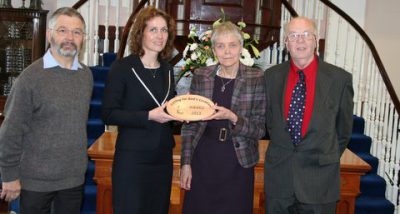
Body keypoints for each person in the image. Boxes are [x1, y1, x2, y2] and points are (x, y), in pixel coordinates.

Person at [0, 7, 92, 214]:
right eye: (62, 30)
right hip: (35, 183)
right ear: (49, 34)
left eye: (76, 32)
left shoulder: (86, 76)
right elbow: (10, 131)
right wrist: (9, 176)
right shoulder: (30, 78)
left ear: (83, 38)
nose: (70, 37)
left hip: (73, 181)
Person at [263, 16, 354, 214]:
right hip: (279, 179)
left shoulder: (339, 79)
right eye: (293, 36)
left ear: (315, 40)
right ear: (286, 43)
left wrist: (321, 154)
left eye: (306, 35)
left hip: (319, 182)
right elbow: (271, 124)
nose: (300, 41)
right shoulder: (271, 76)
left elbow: (343, 132)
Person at [180, 21, 266, 214]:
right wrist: (185, 163)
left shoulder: (256, 78)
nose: (227, 51)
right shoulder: (202, 76)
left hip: (237, 163)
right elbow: (189, 126)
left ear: (241, 47)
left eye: (232, 45)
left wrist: (233, 117)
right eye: (221, 46)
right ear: (213, 50)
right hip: (204, 159)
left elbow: (260, 129)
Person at [101, 6, 178, 214]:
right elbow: (108, 113)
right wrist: (148, 116)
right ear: (140, 33)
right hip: (133, 158)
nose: (160, 35)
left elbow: (169, 109)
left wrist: (181, 114)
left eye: (164, 30)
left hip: (162, 158)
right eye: (153, 29)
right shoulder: (123, 68)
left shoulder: (168, 69)